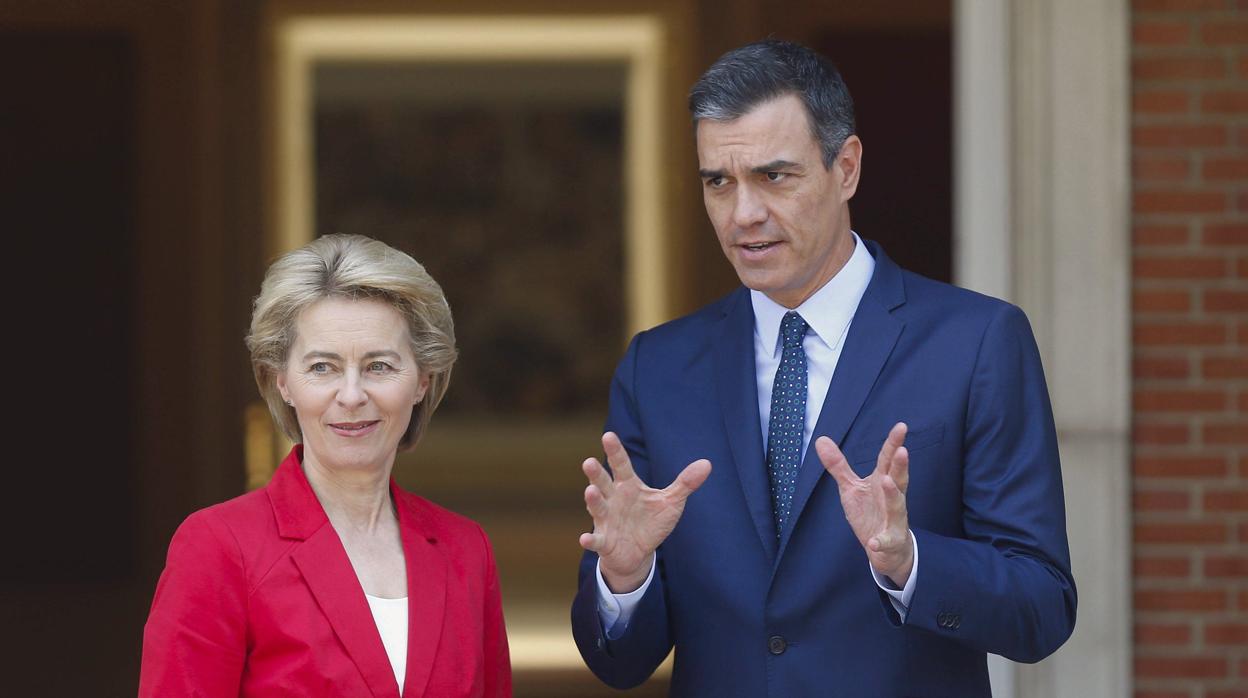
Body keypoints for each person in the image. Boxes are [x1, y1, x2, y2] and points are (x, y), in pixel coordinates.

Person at [571, 39, 1076, 696]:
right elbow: (619, 662)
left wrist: (911, 563)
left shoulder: (976, 343)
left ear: (847, 169)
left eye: (773, 176)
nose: (743, 213)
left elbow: (1040, 610)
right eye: (718, 182)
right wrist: (625, 580)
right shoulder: (657, 368)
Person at [140, 235, 511, 697]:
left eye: (378, 366)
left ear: (422, 381)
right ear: (283, 384)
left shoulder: (465, 549)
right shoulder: (219, 548)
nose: (352, 395)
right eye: (322, 367)